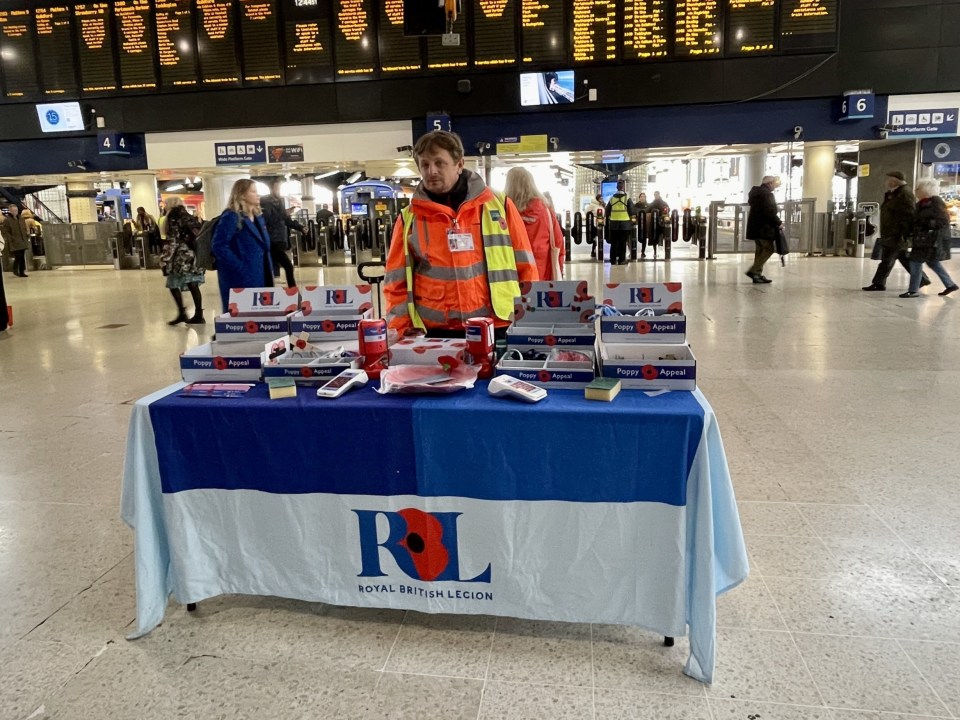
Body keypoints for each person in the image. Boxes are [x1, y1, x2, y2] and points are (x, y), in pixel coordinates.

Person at [384, 130, 538, 338]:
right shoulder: (409, 218)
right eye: (425, 165)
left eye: (440, 163)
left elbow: (526, 267)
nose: (432, 171)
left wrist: (530, 319)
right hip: (437, 331)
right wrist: (401, 331)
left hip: (499, 324)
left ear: (459, 164)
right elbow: (396, 282)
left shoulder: (499, 206)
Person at [212, 178, 273, 312]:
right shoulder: (232, 216)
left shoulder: (258, 217)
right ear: (242, 194)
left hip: (260, 273)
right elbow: (219, 245)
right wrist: (238, 266)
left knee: (256, 314)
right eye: (253, 191)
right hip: (239, 276)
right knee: (239, 317)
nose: (258, 195)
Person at [862, 171, 929, 292]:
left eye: (888, 179)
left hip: (898, 234)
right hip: (891, 233)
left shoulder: (905, 193)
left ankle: (879, 283)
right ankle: (922, 279)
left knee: (888, 259)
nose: (886, 182)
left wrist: (904, 233)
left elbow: (909, 214)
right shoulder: (893, 193)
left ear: (894, 180)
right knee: (900, 258)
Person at [900, 179, 958, 298]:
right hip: (923, 239)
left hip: (928, 240)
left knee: (915, 262)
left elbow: (942, 221)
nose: (916, 191)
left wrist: (925, 225)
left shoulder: (934, 203)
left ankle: (913, 290)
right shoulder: (922, 204)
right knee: (933, 263)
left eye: (918, 189)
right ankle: (950, 284)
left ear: (926, 190)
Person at [504, 167, 565, 280]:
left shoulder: (504, 212)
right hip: (542, 278)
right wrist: (559, 269)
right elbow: (558, 242)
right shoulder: (545, 211)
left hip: (512, 277)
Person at [159, 198, 206, 325]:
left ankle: (182, 312)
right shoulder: (189, 216)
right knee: (193, 284)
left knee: (173, 283)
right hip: (193, 254)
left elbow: (172, 239)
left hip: (180, 256)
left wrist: (165, 258)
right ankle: (198, 314)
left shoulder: (172, 217)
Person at [260, 178, 305, 288]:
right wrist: (284, 213)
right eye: (277, 187)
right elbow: (268, 219)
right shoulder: (265, 201)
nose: (279, 190)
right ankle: (292, 289)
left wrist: (300, 227)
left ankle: (270, 289)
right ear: (272, 188)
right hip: (272, 240)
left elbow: (285, 219)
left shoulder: (280, 200)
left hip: (280, 239)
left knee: (271, 266)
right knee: (287, 265)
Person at [745, 175, 782, 284]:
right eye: (774, 184)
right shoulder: (766, 194)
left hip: (755, 227)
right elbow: (769, 211)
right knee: (769, 249)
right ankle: (754, 271)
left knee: (760, 251)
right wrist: (778, 222)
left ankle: (757, 275)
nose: (775, 186)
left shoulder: (755, 193)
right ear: (769, 183)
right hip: (764, 228)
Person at [604, 180, 637, 265]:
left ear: (616, 188)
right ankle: (622, 260)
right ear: (623, 188)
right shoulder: (627, 198)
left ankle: (613, 260)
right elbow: (632, 211)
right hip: (625, 225)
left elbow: (607, 212)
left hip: (614, 224)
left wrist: (611, 217)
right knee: (622, 243)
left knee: (614, 243)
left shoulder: (612, 199)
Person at [1, 204, 30, 277]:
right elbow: (5, 231)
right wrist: (10, 239)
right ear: (10, 211)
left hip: (22, 240)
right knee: (18, 256)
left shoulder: (21, 218)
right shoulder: (7, 220)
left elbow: (24, 228)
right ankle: (15, 269)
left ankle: (21, 271)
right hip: (14, 241)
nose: (15, 212)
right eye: (13, 210)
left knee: (22, 256)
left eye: (16, 210)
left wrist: (26, 235)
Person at [648, 191, 669, 256]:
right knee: (654, 237)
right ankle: (655, 251)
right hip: (654, 222)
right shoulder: (653, 203)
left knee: (661, 236)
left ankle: (663, 250)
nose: (656, 196)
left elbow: (667, 210)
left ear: (659, 195)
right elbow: (648, 210)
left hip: (660, 222)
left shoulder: (663, 203)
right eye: (655, 195)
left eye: (656, 195)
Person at [635, 192, 650, 258]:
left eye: (643, 196)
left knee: (644, 238)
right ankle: (633, 251)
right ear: (639, 198)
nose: (642, 198)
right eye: (641, 196)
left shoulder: (648, 205)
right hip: (637, 224)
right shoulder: (636, 205)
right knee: (635, 237)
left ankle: (643, 251)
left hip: (645, 224)